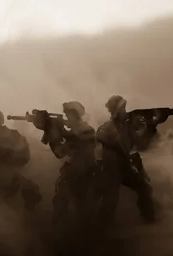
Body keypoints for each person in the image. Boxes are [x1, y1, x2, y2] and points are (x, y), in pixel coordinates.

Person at [96, 95, 158, 225]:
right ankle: (104, 227)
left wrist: (150, 125)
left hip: (124, 165)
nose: (124, 111)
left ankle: (149, 218)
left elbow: (137, 146)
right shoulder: (107, 127)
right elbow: (103, 138)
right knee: (110, 198)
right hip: (111, 167)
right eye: (121, 108)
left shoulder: (128, 125)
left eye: (124, 107)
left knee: (144, 188)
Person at [46, 101, 97, 224]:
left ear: (75, 115)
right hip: (77, 174)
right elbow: (61, 151)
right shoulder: (81, 131)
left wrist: (53, 131)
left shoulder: (86, 131)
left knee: (81, 208)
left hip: (81, 175)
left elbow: (60, 152)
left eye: (67, 116)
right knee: (70, 205)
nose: (66, 119)